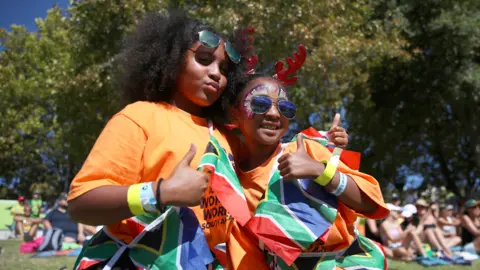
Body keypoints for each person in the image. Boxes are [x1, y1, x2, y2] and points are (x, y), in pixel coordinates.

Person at [68, 10, 245, 269]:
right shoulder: (140, 116)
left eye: (224, 68)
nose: (217, 74)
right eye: (204, 59)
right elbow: (81, 204)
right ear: (171, 60)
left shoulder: (229, 137)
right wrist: (160, 193)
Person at [220, 64, 390, 269]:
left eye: (285, 108)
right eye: (260, 104)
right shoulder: (229, 182)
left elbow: (371, 204)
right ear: (235, 114)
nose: (274, 114)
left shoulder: (307, 150)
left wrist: (321, 171)